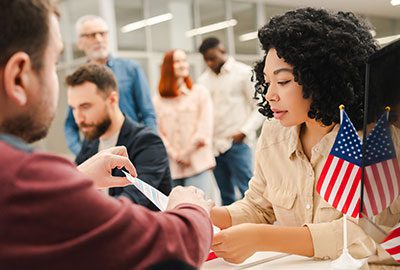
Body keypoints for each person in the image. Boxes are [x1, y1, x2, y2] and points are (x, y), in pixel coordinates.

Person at [0, 1, 213, 269]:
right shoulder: (24, 176)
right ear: (18, 77)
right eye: (54, 64)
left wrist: (75, 178)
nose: (78, 117)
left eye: (85, 106)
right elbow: (170, 244)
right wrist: (190, 207)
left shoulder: (142, 136)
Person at [210, 7, 400, 267]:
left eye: (284, 81)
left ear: (321, 80)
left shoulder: (376, 140)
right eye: (267, 81)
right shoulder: (275, 132)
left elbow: (360, 234)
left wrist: (261, 237)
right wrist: (206, 215)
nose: (270, 94)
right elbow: (258, 206)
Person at [67, 63, 172, 210]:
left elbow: (129, 204)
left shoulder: (148, 143)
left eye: (85, 107)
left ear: (112, 100)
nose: (78, 118)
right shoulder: (90, 141)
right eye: (73, 108)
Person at [64, 14, 157, 155]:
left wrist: (149, 146)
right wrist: (82, 153)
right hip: (99, 152)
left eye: (102, 33)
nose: (99, 39)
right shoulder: (78, 80)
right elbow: (70, 124)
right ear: (80, 43)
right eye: (91, 35)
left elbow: (148, 113)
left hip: (132, 149)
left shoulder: (131, 69)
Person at [198, 37, 264, 205]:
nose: (210, 63)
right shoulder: (203, 80)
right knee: (225, 194)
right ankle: (229, 230)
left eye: (212, 58)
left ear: (222, 50)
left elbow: (260, 106)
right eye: (206, 60)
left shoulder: (243, 73)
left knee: (248, 191)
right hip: (215, 147)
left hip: (237, 143)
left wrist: (244, 131)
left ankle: (253, 230)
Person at [153, 49, 215, 197]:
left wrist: (186, 153)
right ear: (168, 67)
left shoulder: (200, 93)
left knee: (201, 211)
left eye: (184, 60)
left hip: (198, 164)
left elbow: (204, 129)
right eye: (177, 61)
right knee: (175, 212)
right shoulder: (157, 101)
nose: (183, 65)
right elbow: (158, 132)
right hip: (172, 167)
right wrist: (175, 155)